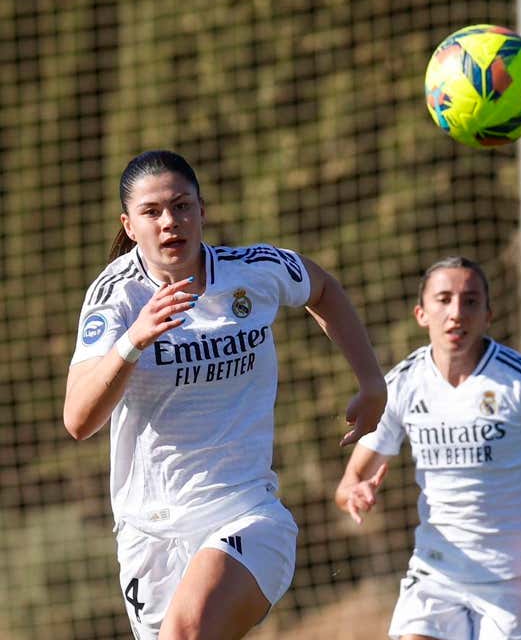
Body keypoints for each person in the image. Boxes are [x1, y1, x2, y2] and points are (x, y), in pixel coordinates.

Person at [63, 150, 387, 640]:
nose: (170, 221)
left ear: (202, 212)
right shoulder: (117, 297)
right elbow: (78, 420)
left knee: (186, 632)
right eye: (152, 212)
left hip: (246, 513)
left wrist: (372, 383)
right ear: (129, 226)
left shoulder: (253, 271)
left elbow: (321, 289)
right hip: (147, 534)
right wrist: (134, 340)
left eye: (182, 206)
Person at [334, 256, 521, 640]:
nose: (457, 313)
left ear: (488, 315)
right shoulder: (402, 384)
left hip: (517, 580)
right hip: (437, 572)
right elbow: (348, 482)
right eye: (444, 299)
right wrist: (355, 492)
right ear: (421, 314)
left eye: (471, 301)